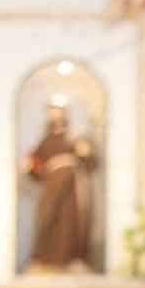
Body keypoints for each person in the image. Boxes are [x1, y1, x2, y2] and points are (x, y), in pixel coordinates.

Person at [20, 103, 99, 272]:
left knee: (71, 222)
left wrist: (85, 153)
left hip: (72, 187)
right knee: (47, 218)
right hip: (52, 186)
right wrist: (29, 166)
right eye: (52, 115)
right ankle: (44, 259)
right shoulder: (44, 142)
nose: (56, 118)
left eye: (59, 114)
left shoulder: (75, 138)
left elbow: (91, 163)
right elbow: (35, 165)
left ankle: (74, 259)